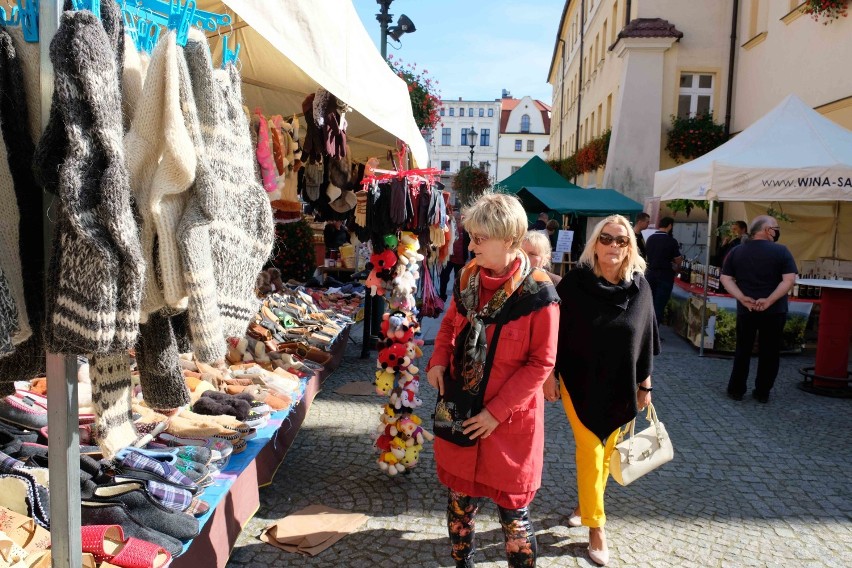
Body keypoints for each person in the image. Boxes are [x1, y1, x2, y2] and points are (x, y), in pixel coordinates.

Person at [426, 193, 559, 568]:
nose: (471, 245)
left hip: (507, 426)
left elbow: (541, 362)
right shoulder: (468, 277)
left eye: (480, 238)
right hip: (462, 413)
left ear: (509, 239)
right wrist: (437, 360)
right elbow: (451, 323)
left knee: (513, 518)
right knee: (459, 503)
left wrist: (495, 414)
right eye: (472, 236)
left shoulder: (540, 292)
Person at [554, 214, 659, 566]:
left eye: (622, 240)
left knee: (607, 448)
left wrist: (646, 384)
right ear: (595, 244)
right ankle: (596, 527)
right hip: (578, 381)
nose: (613, 246)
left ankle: (586, 504)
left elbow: (645, 340)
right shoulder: (574, 283)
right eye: (607, 238)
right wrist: (548, 376)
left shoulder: (640, 287)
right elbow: (553, 333)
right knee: (591, 451)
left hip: (622, 385)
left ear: (630, 247)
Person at [720, 216, 796, 403]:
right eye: (776, 228)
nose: (777, 231)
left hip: (747, 309)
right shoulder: (782, 251)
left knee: (743, 349)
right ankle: (762, 392)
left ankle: (736, 390)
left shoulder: (737, 251)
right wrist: (769, 300)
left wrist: (741, 297)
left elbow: (725, 278)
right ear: (768, 229)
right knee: (769, 352)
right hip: (774, 310)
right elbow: (789, 280)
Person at [644, 216, 683, 325]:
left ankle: (646, 330)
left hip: (650, 273)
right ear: (670, 226)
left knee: (649, 303)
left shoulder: (650, 239)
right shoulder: (671, 241)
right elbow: (678, 260)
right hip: (665, 275)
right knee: (659, 304)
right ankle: (654, 333)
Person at [439, 211, 468, 301]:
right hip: (449, 258)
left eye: (459, 219)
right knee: (444, 278)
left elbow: (468, 243)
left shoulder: (465, 230)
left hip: (460, 260)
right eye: (455, 219)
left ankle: (456, 299)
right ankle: (442, 296)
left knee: (459, 281)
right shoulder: (448, 227)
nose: (457, 221)